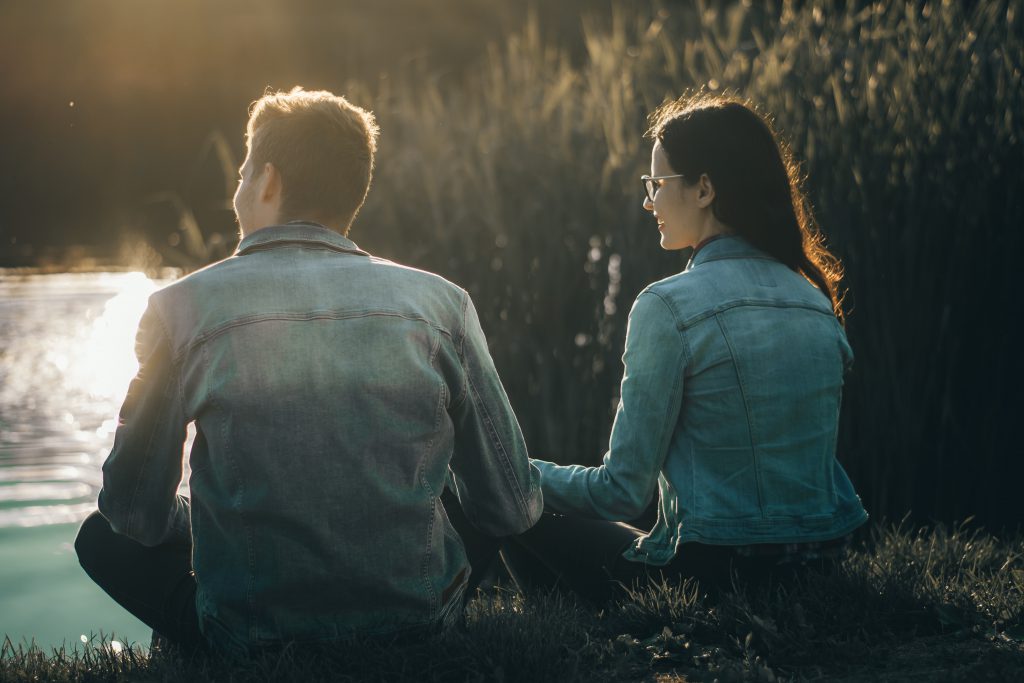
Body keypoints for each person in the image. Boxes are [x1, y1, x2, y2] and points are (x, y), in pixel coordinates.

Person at [75, 87, 542, 657]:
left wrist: (212, 522)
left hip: (253, 637)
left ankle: (199, 647)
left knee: (100, 536)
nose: (238, 191)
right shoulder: (443, 303)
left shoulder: (179, 308)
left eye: (244, 173)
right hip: (419, 625)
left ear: (268, 181)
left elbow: (134, 514)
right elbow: (511, 507)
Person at [502, 94, 868, 603]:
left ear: (704, 189)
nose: (649, 202)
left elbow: (621, 492)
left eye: (657, 185)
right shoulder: (814, 301)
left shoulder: (667, 306)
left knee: (507, 498)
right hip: (817, 572)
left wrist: (511, 469)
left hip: (711, 580)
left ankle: (552, 634)